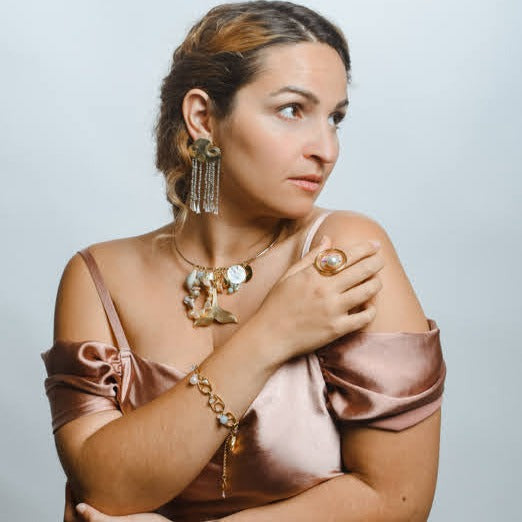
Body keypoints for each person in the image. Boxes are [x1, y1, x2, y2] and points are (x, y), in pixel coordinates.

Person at [41, 2, 447, 521]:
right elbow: (104, 487)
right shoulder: (98, 277)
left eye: (335, 118)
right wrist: (271, 334)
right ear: (203, 117)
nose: (326, 149)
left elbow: (397, 501)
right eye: (292, 110)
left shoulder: (341, 251)